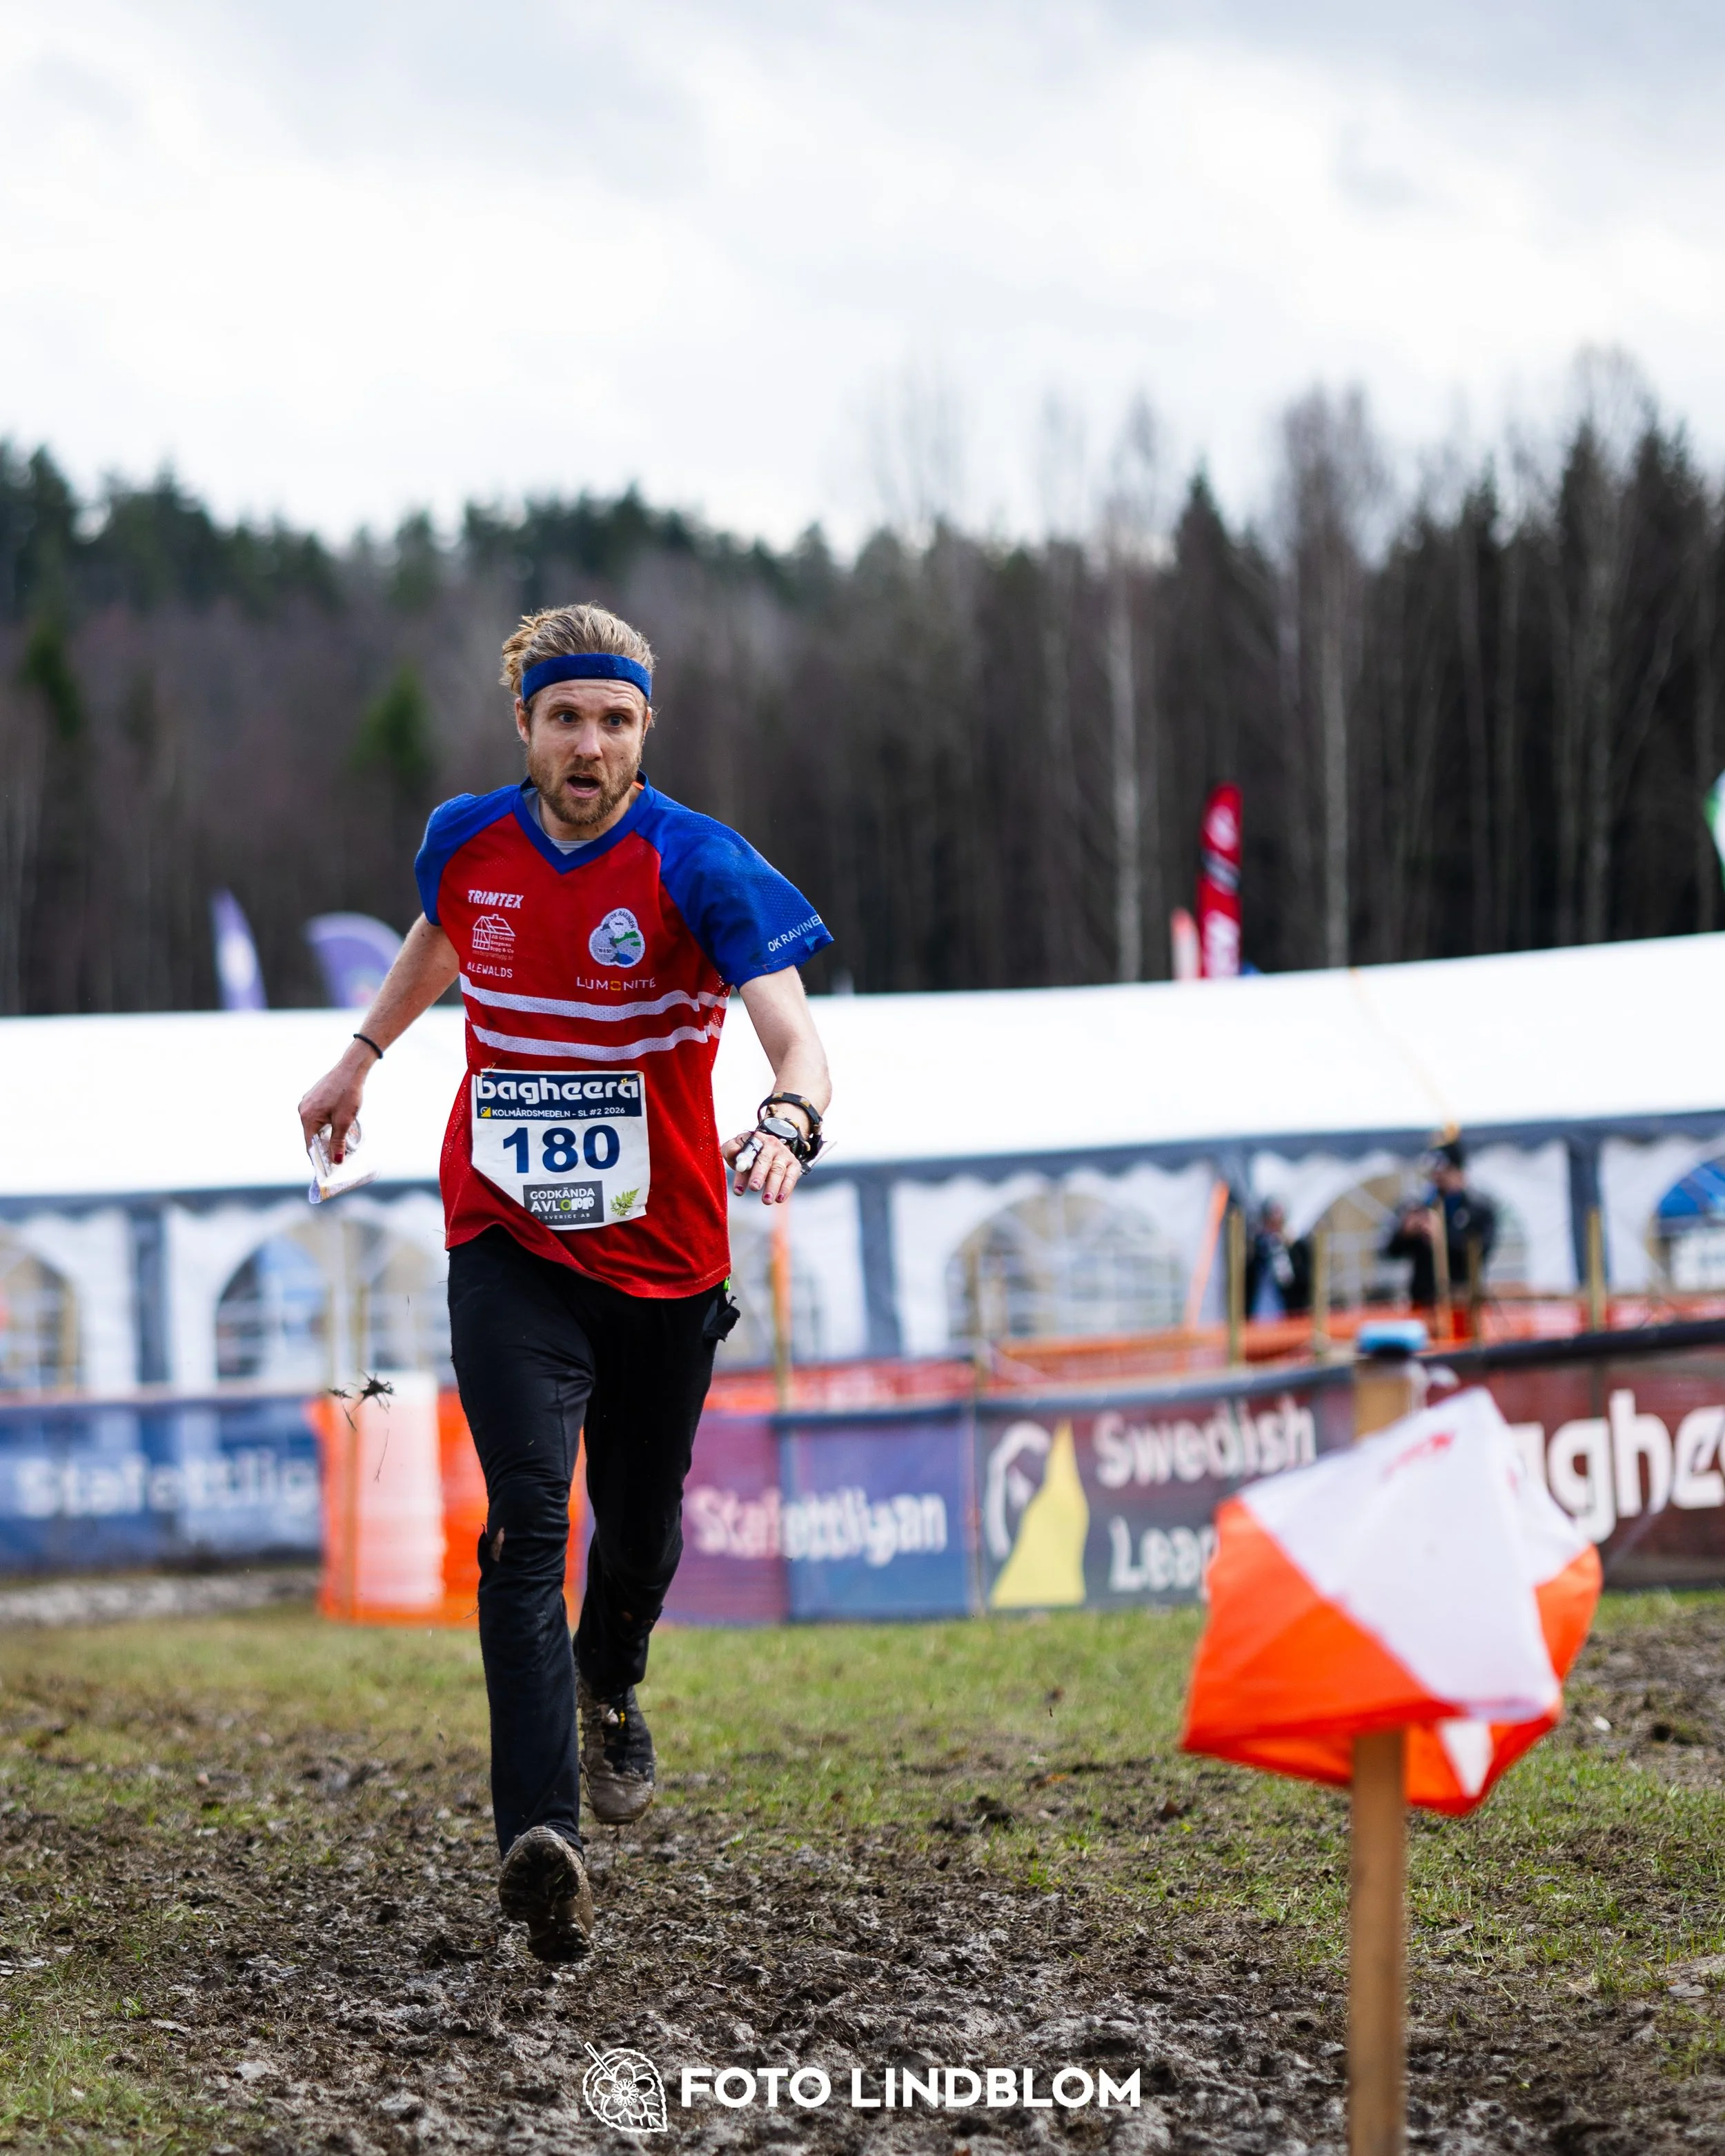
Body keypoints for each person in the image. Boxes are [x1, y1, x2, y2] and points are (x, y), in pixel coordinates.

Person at [297, 604, 832, 1961]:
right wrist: (361, 1053)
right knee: (525, 1526)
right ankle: (543, 1842)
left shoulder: (699, 864)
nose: (587, 743)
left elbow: (796, 1040)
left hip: (662, 1261)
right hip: (509, 1242)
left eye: (612, 719)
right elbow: (443, 935)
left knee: (640, 1529)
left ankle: (613, 1681)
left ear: (643, 729)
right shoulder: (466, 839)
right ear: (524, 727)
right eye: (563, 717)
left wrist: (784, 1118)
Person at [1381, 1139, 1497, 1310]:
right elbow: (1390, 1252)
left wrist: (1443, 1236)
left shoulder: (1479, 1210)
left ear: (1460, 1172)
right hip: (1423, 1301)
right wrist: (1405, 1233)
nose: (1439, 1177)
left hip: (1462, 1303)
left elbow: (1480, 1253)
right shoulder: (1421, 1206)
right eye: (1435, 1172)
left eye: (1446, 1171)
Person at [1245, 1198, 1311, 1319]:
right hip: (1260, 1312)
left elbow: (1300, 1283)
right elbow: (1247, 1281)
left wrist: (1286, 1253)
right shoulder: (1258, 1246)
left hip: (1287, 1314)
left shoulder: (1296, 1246)